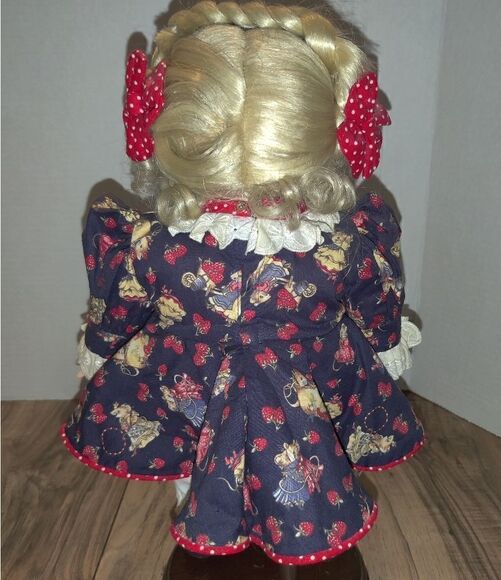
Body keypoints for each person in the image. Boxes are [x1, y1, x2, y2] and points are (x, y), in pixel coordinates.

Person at [61, 0, 426, 566]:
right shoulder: (340, 246)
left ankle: (209, 516)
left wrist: (99, 345)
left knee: (199, 454)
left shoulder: (154, 244)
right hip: (306, 385)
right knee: (309, 454)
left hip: (195, 382)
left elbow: (122, 304)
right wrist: (384, 343)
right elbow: (376, 304)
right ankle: (273, 522)